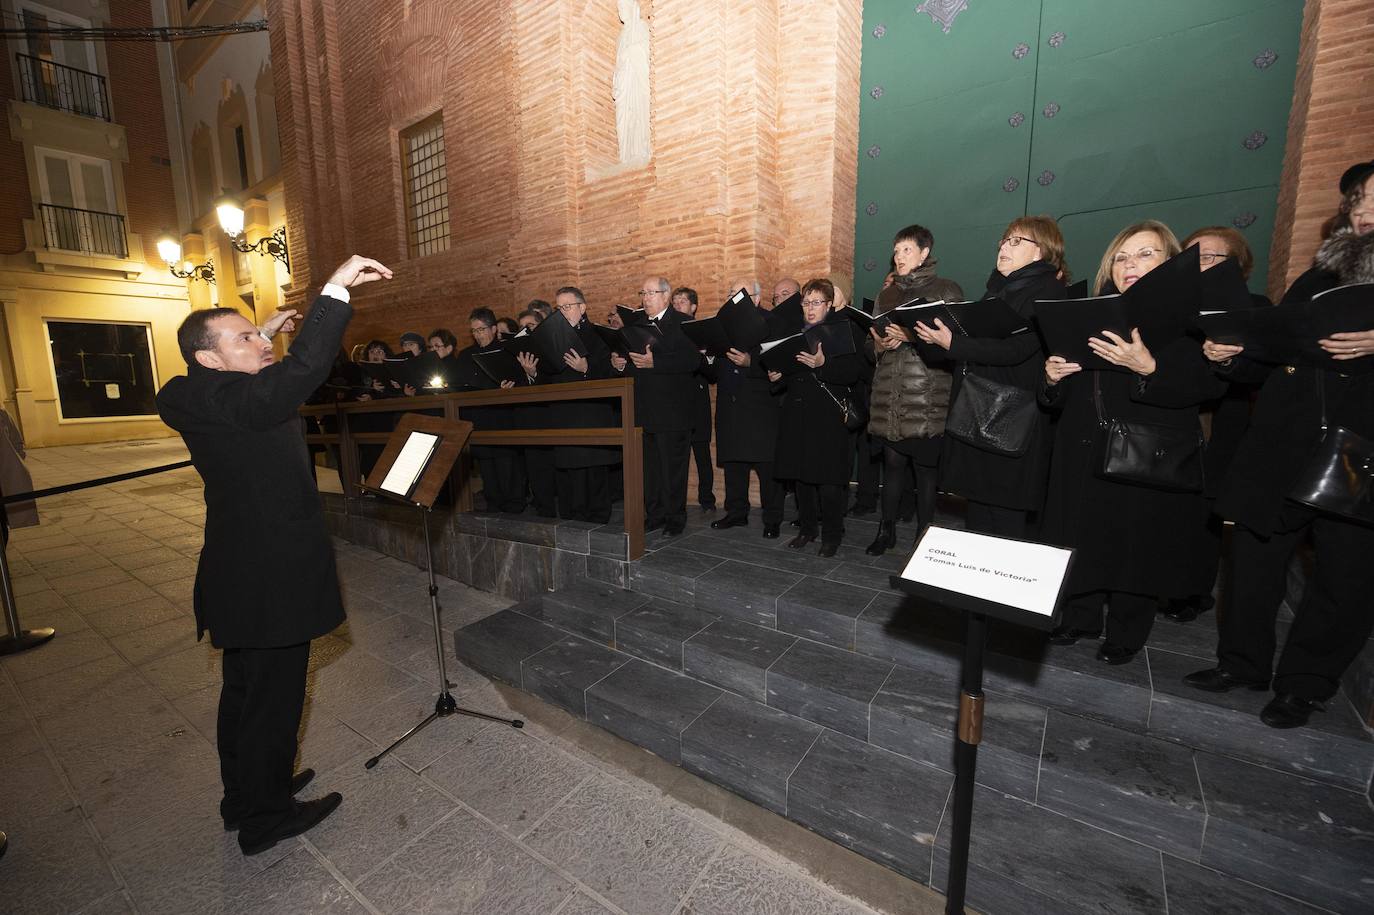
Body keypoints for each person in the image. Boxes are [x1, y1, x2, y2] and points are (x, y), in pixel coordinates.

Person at [156, 254, 392, 855]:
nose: (262, 343)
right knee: (274, 699)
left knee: (244, 691)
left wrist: (257, 335)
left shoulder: (198, 391)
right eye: (246, 338)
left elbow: (253, 380)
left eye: (259, 334)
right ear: (210, 357)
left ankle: (245, 795)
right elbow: (302, 371)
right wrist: (333, 293)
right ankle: (266, 817)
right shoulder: (239, 401)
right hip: (270, 577)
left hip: (238, 573)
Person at [1185, 164, 1374, 728]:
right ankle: (1242, 663)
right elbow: (1275, 346)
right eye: (1360, 198)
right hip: (1283, 440)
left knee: (1346, 574)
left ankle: (1304, 685)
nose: (1364, 208)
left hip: (1360, 447)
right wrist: (1234, 355)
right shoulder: (1318, 277)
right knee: (1251, 559)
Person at [1041, 221, 1220, 665]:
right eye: (1121, 257)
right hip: (1082, 446)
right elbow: (1056, 396)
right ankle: (1079, 616)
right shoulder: (1088, 312)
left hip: (1143, 451)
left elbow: (1209, 386)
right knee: (1082, 532)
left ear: (1171, 262)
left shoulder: (1190, 321)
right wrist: (1050, 379)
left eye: (1145, 254)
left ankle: (1126, 630)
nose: (1130, 264)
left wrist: (1149, 367)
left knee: (1136, 540)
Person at [915, 216, 1067, 538]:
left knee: (1005, 523)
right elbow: (980, 345)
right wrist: (939, 338)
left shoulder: (1049, 291)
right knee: (980, 515)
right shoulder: (997, 289)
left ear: (1041, 251)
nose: (1004, 247)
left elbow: (1017, 350)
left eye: (1016, 241)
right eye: (1003, 240)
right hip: (978, 411)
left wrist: (954, 343)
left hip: (1011, 418)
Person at [1162, 226, 1269, 623]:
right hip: (1173, 417)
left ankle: (1192, 591)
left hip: (1222, 422)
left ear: (1236, 265)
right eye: (1191, 258)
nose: (1198, 265)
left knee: (1207, 511)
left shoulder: (1255, 307)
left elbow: (1259, 370)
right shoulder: (1171, 308)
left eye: (1209, 257)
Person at [864, 224, 963, 554]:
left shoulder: (947, 290)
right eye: (895, 250)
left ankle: (925, 537)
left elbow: (956, 345)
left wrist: (910, 337)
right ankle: (886, 530)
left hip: (926, 397)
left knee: (924, 472)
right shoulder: (887, 294)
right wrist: (878, 343)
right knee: (892, 468)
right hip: (889, 395)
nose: (899, 256)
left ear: (924, 253)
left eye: (906, 249)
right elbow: (869, 345)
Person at [769, 279, 864, 556]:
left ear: (829, 304)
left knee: (829, 483)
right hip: (797, 415)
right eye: (806, 303)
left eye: (816, 302)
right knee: (801, 479)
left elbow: (852, 373)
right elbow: (791, 370)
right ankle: (807, 530)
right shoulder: (795, 332)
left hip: (828, 418)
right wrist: (778, 375)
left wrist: (823, 365)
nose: (810, 308)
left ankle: (832, 535)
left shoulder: (843, 330)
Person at [610, 276, 698, 535]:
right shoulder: (635, 325)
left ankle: (675, 519)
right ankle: (655, 514)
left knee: (673, 469)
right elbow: (629, 361)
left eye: (651, 293)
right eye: (643, 293)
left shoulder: (684, 323)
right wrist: (620, 364)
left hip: (674, 411)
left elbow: (692, 362)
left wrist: (655, 364)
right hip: (644, 408)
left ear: (665, 296)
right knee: (649, 469)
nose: (645, 298)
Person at [532, 287, 620, 522]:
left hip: (592, 413)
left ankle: (598, 516)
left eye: (567, 306)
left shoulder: (599, 335)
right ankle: (573, 515)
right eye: (558, 308)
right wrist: (533, 372)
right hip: (563, 413)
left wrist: (586, 369)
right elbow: (546, 377)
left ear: (582, 308)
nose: (562, 312)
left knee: (594, 469)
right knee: (570, 470)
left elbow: (612, 372)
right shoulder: (551, 338)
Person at [710, 279, 784, 537]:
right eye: (730, 294)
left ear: (756, 297)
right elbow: (712, 369)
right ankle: (736, 513)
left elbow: (780, 362)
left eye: (738, 294)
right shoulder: (723, 323)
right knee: (734, 464)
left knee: (767, 467)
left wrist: (750, 362)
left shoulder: (771, 322)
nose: (732, 298)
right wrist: (705, 352)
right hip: (730, 404)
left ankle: (772, 518)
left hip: (760, 405)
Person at [457, 309, 527, 513]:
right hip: (478, 419)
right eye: (474, 331)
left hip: (504, 419)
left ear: (494, 329)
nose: (478, 334)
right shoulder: (465, 355)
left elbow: (522, 381)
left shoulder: (507, 351)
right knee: (488, 469)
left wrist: (510, 388)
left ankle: (514, 505)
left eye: (481, 329)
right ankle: (494, 505)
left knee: (508, 467)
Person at [671, 286, 717, 511]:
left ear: (693, 306)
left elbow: (712, 374)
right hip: (673, 402)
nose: (678, 304)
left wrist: (701, 358)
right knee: (673, 457)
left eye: (682, 300)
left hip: (697, 402)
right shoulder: (667, 332)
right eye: (675, 300)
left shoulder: (703, 334)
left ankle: (707, 500)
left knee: (702, 454)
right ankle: (673, 502)